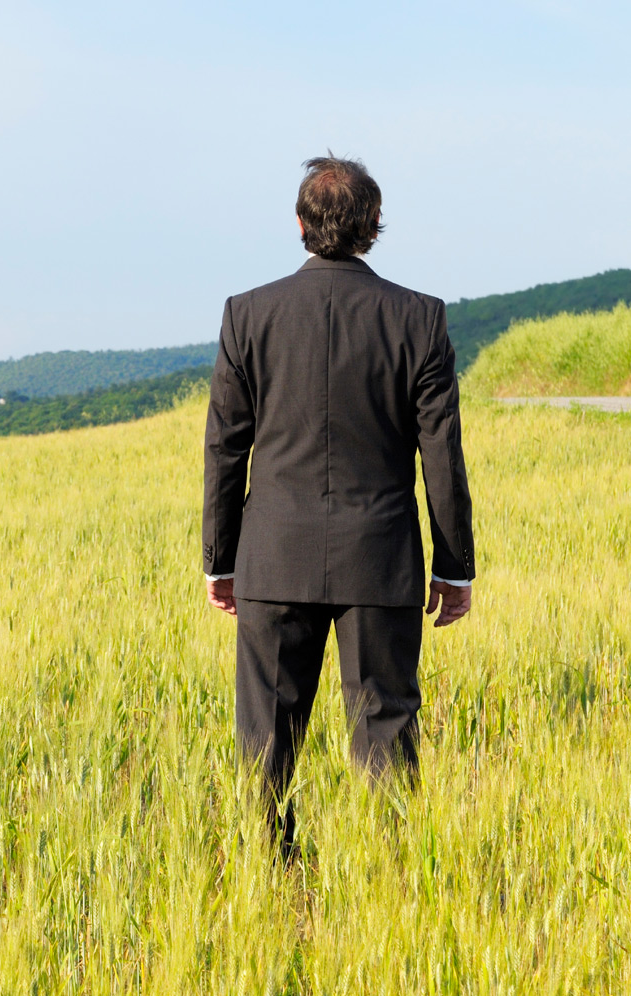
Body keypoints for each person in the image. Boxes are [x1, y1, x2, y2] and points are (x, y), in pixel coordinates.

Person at [201, 155, 475, 853]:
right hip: (381, 560)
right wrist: (455, 568)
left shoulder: (248, 315)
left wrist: (219, 560)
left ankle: (271, 877)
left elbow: (226, 450)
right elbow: (440, 452)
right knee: (385, 734)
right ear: (375, 226)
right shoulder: (419, 318)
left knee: (265, 735)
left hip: (273, 556)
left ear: (298, 224)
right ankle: (386, 880)